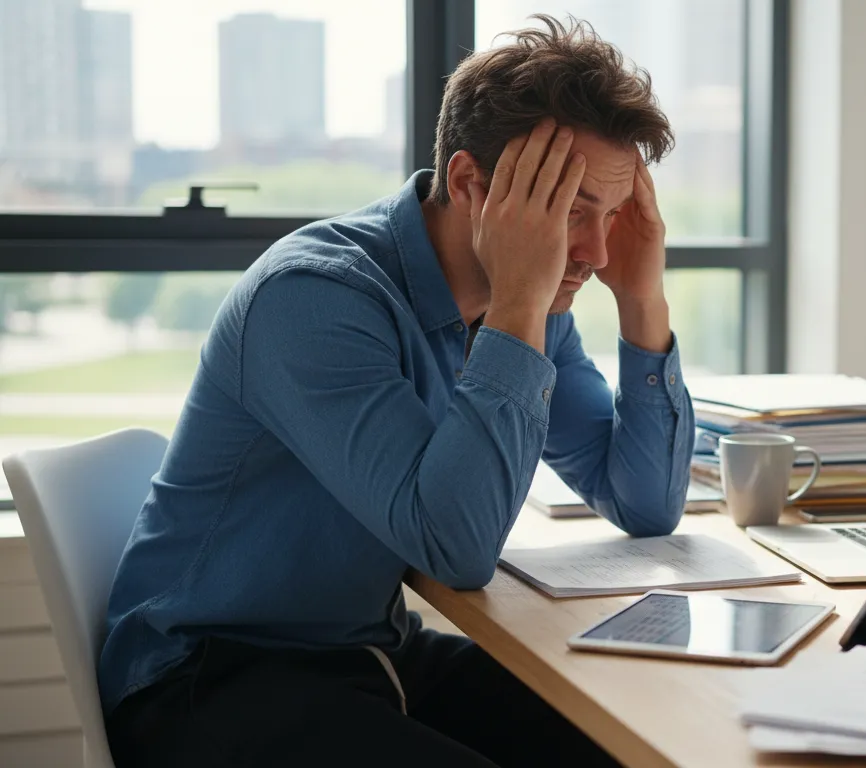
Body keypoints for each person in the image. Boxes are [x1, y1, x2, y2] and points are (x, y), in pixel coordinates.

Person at [100, 15, 694, 767]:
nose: (597, 251)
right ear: (473, 185)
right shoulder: (315, 298)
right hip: (207, 678)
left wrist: (642, 302)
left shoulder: (527, 302)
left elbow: (644, 505)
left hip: (370, 657)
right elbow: (458, 551)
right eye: (571, 211)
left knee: (624, 745)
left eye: (610, 216)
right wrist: (519, 306)